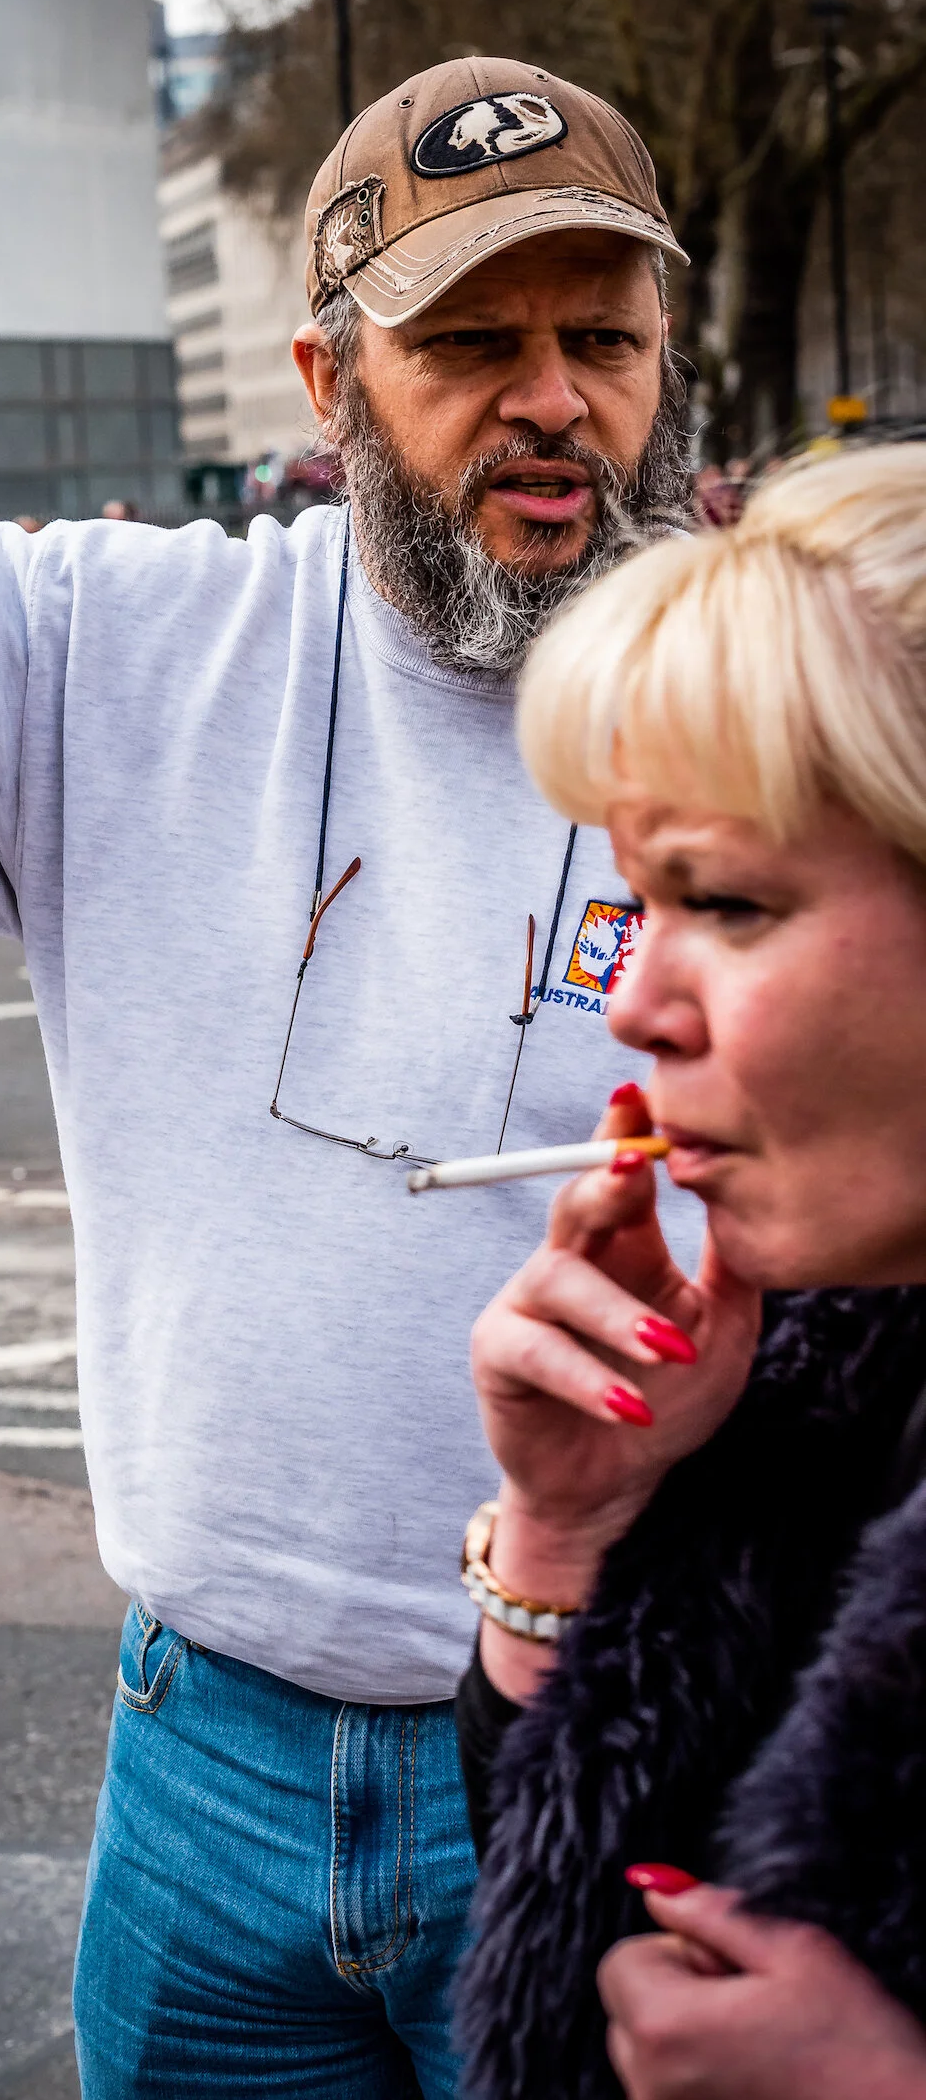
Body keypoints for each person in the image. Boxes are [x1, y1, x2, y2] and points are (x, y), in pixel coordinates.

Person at [0, 0, 696, 2095]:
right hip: (206, 1763)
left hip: (633, 1738)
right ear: (329, 382)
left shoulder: (788, 701)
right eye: (470, 343)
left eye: (601, 340)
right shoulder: (113, 646)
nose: (553, 401)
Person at [450, 443, 926, 2100]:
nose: (635, 1008)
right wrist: (562, 1538)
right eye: (639, 903)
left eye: (722, 900)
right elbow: (554, 1910)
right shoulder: (824, 1366)